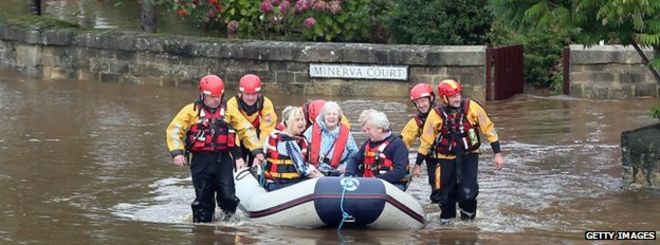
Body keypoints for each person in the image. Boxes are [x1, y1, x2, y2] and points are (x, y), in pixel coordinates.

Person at [417, 79, 505, 224]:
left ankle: (469, 223)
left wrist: (498, 154)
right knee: (445, 197)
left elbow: (488, 129)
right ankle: (447, 226)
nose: (457, 98)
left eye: (458, 94)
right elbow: (426, 140)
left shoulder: (472, 107)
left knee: (468, 195)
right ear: (444, 98)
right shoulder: (436, 115)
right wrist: (418, 164)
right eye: (453, 96)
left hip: (469, 156)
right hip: (446, 158)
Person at [165, 74, 243, 223]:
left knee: (228, 197)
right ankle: (202, 230)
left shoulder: (229, 111)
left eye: (219, 96)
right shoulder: (190, 111)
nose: (216, 99)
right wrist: (176, 152)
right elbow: (174, 130)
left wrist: (255, 152)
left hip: (223, 160)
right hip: (200, 161)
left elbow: (246, 130)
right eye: (212, 96)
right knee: (203, 202)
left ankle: (229, 222)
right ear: (202, 94)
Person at [344, 110, 410, 191]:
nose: (366, 133)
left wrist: (376, 180)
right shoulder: (368, 143)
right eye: (365, 130)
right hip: (369, 184)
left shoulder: (397, 145)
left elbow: (400, 171)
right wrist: (349, 175)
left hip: (392, 185)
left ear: (380, 129)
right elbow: (354, 159)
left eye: (369, 129)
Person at [262, 106, 323, 191]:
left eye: (302, 119)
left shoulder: (299, 140)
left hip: (291, 181)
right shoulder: (285, 141)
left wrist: (316, 171)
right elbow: (302, 169)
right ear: (287, 122)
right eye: (297, 120)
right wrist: (322, 178)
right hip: (280, 183)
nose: (301, 123)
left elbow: (305, 163)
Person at [226, 74, 277, 168]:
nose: (250, 98)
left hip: (258, 139)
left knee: (259, 163)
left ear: (258, 93)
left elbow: (267, 131)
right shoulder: (231, 105)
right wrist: (237, 157)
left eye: (253, 94)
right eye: (247, 94)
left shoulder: (266, 104)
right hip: (237, 141)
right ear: (241, 92)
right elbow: (240, 129)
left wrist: (260, 153)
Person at [400, 83, 437, 201]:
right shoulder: (415, 122)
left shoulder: (443, 114)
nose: (421, 105)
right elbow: (403, 141)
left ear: (431, 99)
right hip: (432, 158)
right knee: (435, 187)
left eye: (423, 101)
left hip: (451, 157)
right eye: (417, 102)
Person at [303, 101, 359, 176]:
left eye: (334, 114)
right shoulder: (311, 130)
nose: (331, 117)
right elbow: (301, 150)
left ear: (338, 117)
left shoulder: (346, 133)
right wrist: (310, 170)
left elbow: (354, 155)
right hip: (314, 171)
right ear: (323, 116)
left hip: (336, 173)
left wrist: (345, 168)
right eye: (328, 114)